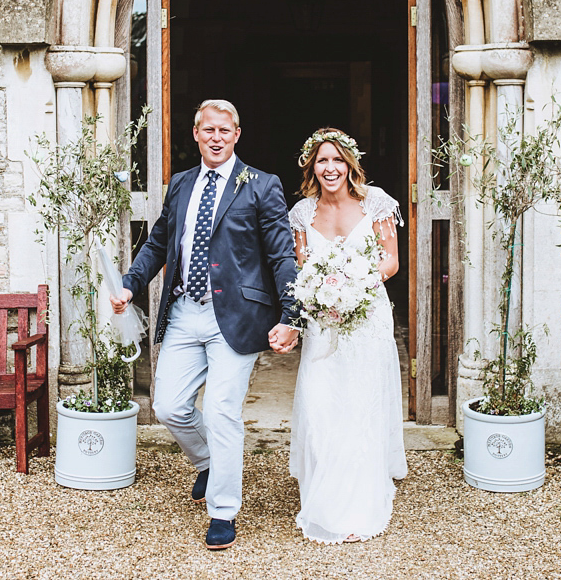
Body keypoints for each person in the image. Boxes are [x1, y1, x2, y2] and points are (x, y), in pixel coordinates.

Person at [109, 99, 299, 550]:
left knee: (220, 411)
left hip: (236, 317)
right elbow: (157, 244)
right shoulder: (180, 184)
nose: (216, 137)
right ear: (196, 134)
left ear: (237, 135)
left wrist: (292, 315)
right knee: (169, 407)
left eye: (225, 130)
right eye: (208, 129)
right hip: (183, 312)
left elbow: (281, 254)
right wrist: (130, 285)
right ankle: (208, 462)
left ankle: (223, 510)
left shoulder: (262, 185)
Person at [286, 128, 407, 543]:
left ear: (350, 164)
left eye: (338, 160)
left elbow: (390, 260)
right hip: (323, 320)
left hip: (366, 314)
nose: (330, 168)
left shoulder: (375, 203)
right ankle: (323, 481)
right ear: (312, 166)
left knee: (360, 400)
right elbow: (303, 266)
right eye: (322, 160)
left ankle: (359, 492)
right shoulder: (302, 212)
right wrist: (323, 293)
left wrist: (355, 285)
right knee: (321, 400)